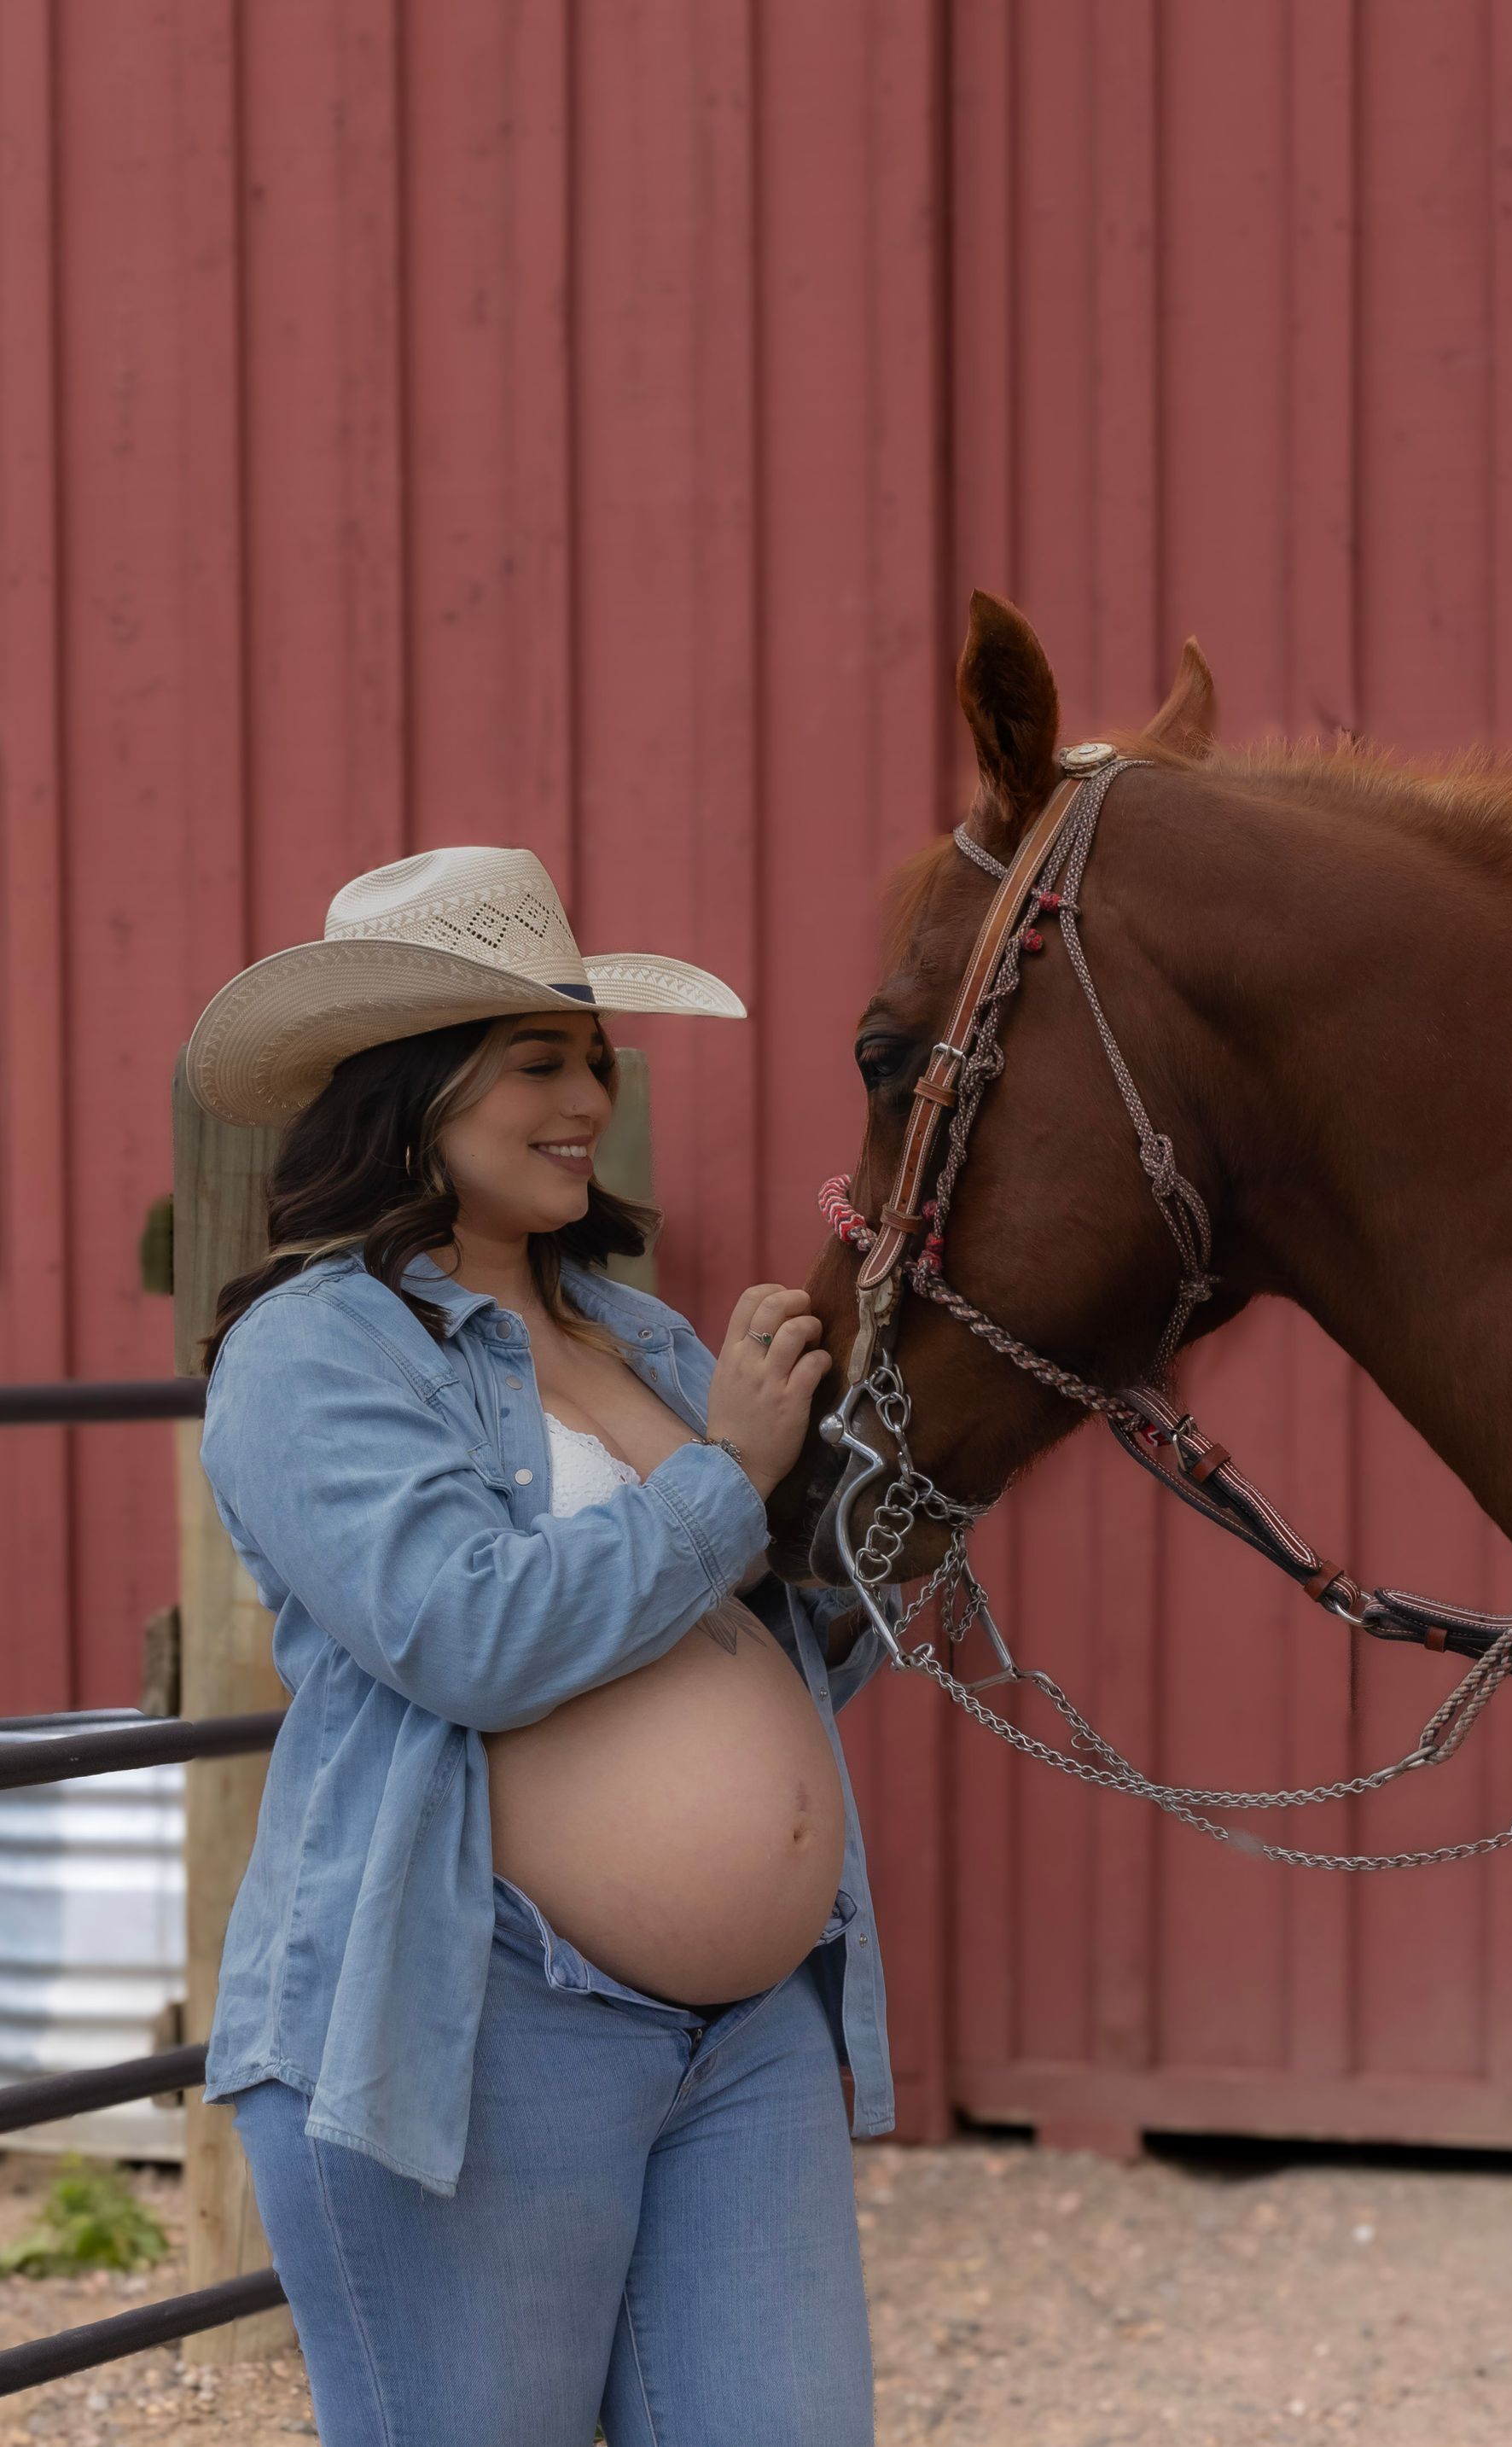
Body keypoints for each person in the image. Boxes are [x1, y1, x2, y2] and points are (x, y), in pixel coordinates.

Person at [182, 844, 894, 2446]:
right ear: (409, 1089)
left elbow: (770, 1645)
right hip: (487, 2018)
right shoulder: (312, 1354)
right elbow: (467, 1632)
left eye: (594, 1059)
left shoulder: (633, 1329)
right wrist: (733, 1476)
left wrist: (861, 1526)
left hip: (750, 2031)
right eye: (537, 1062)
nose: (588, 1097)